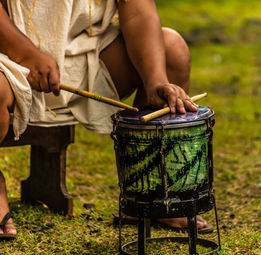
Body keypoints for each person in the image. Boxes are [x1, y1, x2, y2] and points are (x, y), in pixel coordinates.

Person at [0, 0, 211, 239]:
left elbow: (138, 10)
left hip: (80, 53)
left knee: (172, 49)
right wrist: (26, 54)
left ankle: (152, 195)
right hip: (7, 51)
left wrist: (157, 81)